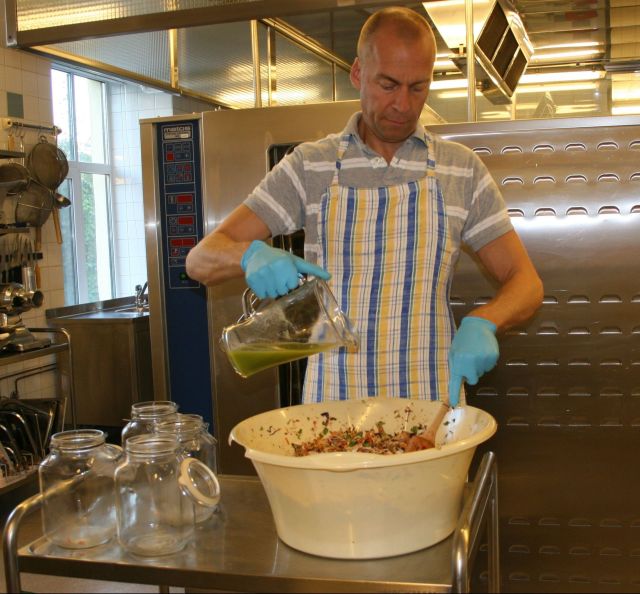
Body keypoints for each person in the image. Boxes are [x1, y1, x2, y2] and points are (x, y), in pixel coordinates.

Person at [186, 6, 543, 406]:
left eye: (417, 87)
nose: (403, 106)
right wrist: (248, 256)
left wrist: (486, 321)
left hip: (431, 409)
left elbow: (525, 282)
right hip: (332, 412)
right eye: (388, 85)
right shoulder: (311, 166)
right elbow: (200, 260)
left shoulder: (460, 170)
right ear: (358, 74)